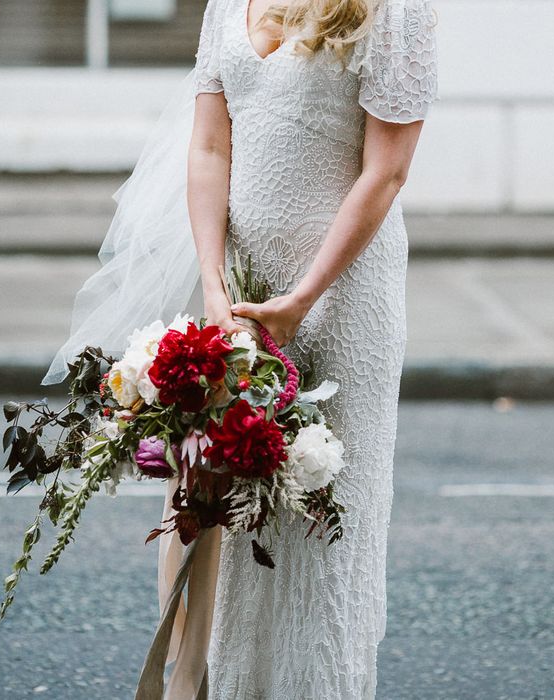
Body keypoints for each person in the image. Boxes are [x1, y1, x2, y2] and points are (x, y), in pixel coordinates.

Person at [187, 0, 438, 697]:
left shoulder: (399, 11)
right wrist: (213, 285)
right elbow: (210, 145)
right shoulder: (225, 4)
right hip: (240, 288)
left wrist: (303, 298)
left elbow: (385, 172)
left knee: (324, 514)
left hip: (342, 297)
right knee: (238, 517)